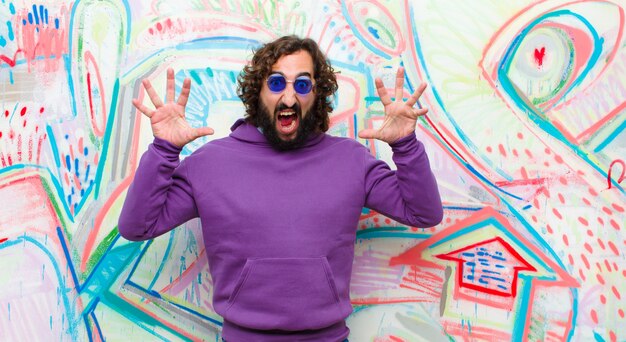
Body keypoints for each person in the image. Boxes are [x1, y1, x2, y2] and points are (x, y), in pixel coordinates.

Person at [118, 35, 443, 342]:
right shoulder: (210, 163)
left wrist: (406, 145)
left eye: (302, 84)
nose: (289, 97)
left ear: (317, 94)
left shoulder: (351, 160)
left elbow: (423, 212)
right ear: (257, 92)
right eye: (276, 83)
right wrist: (163, 150)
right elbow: (137, 226)